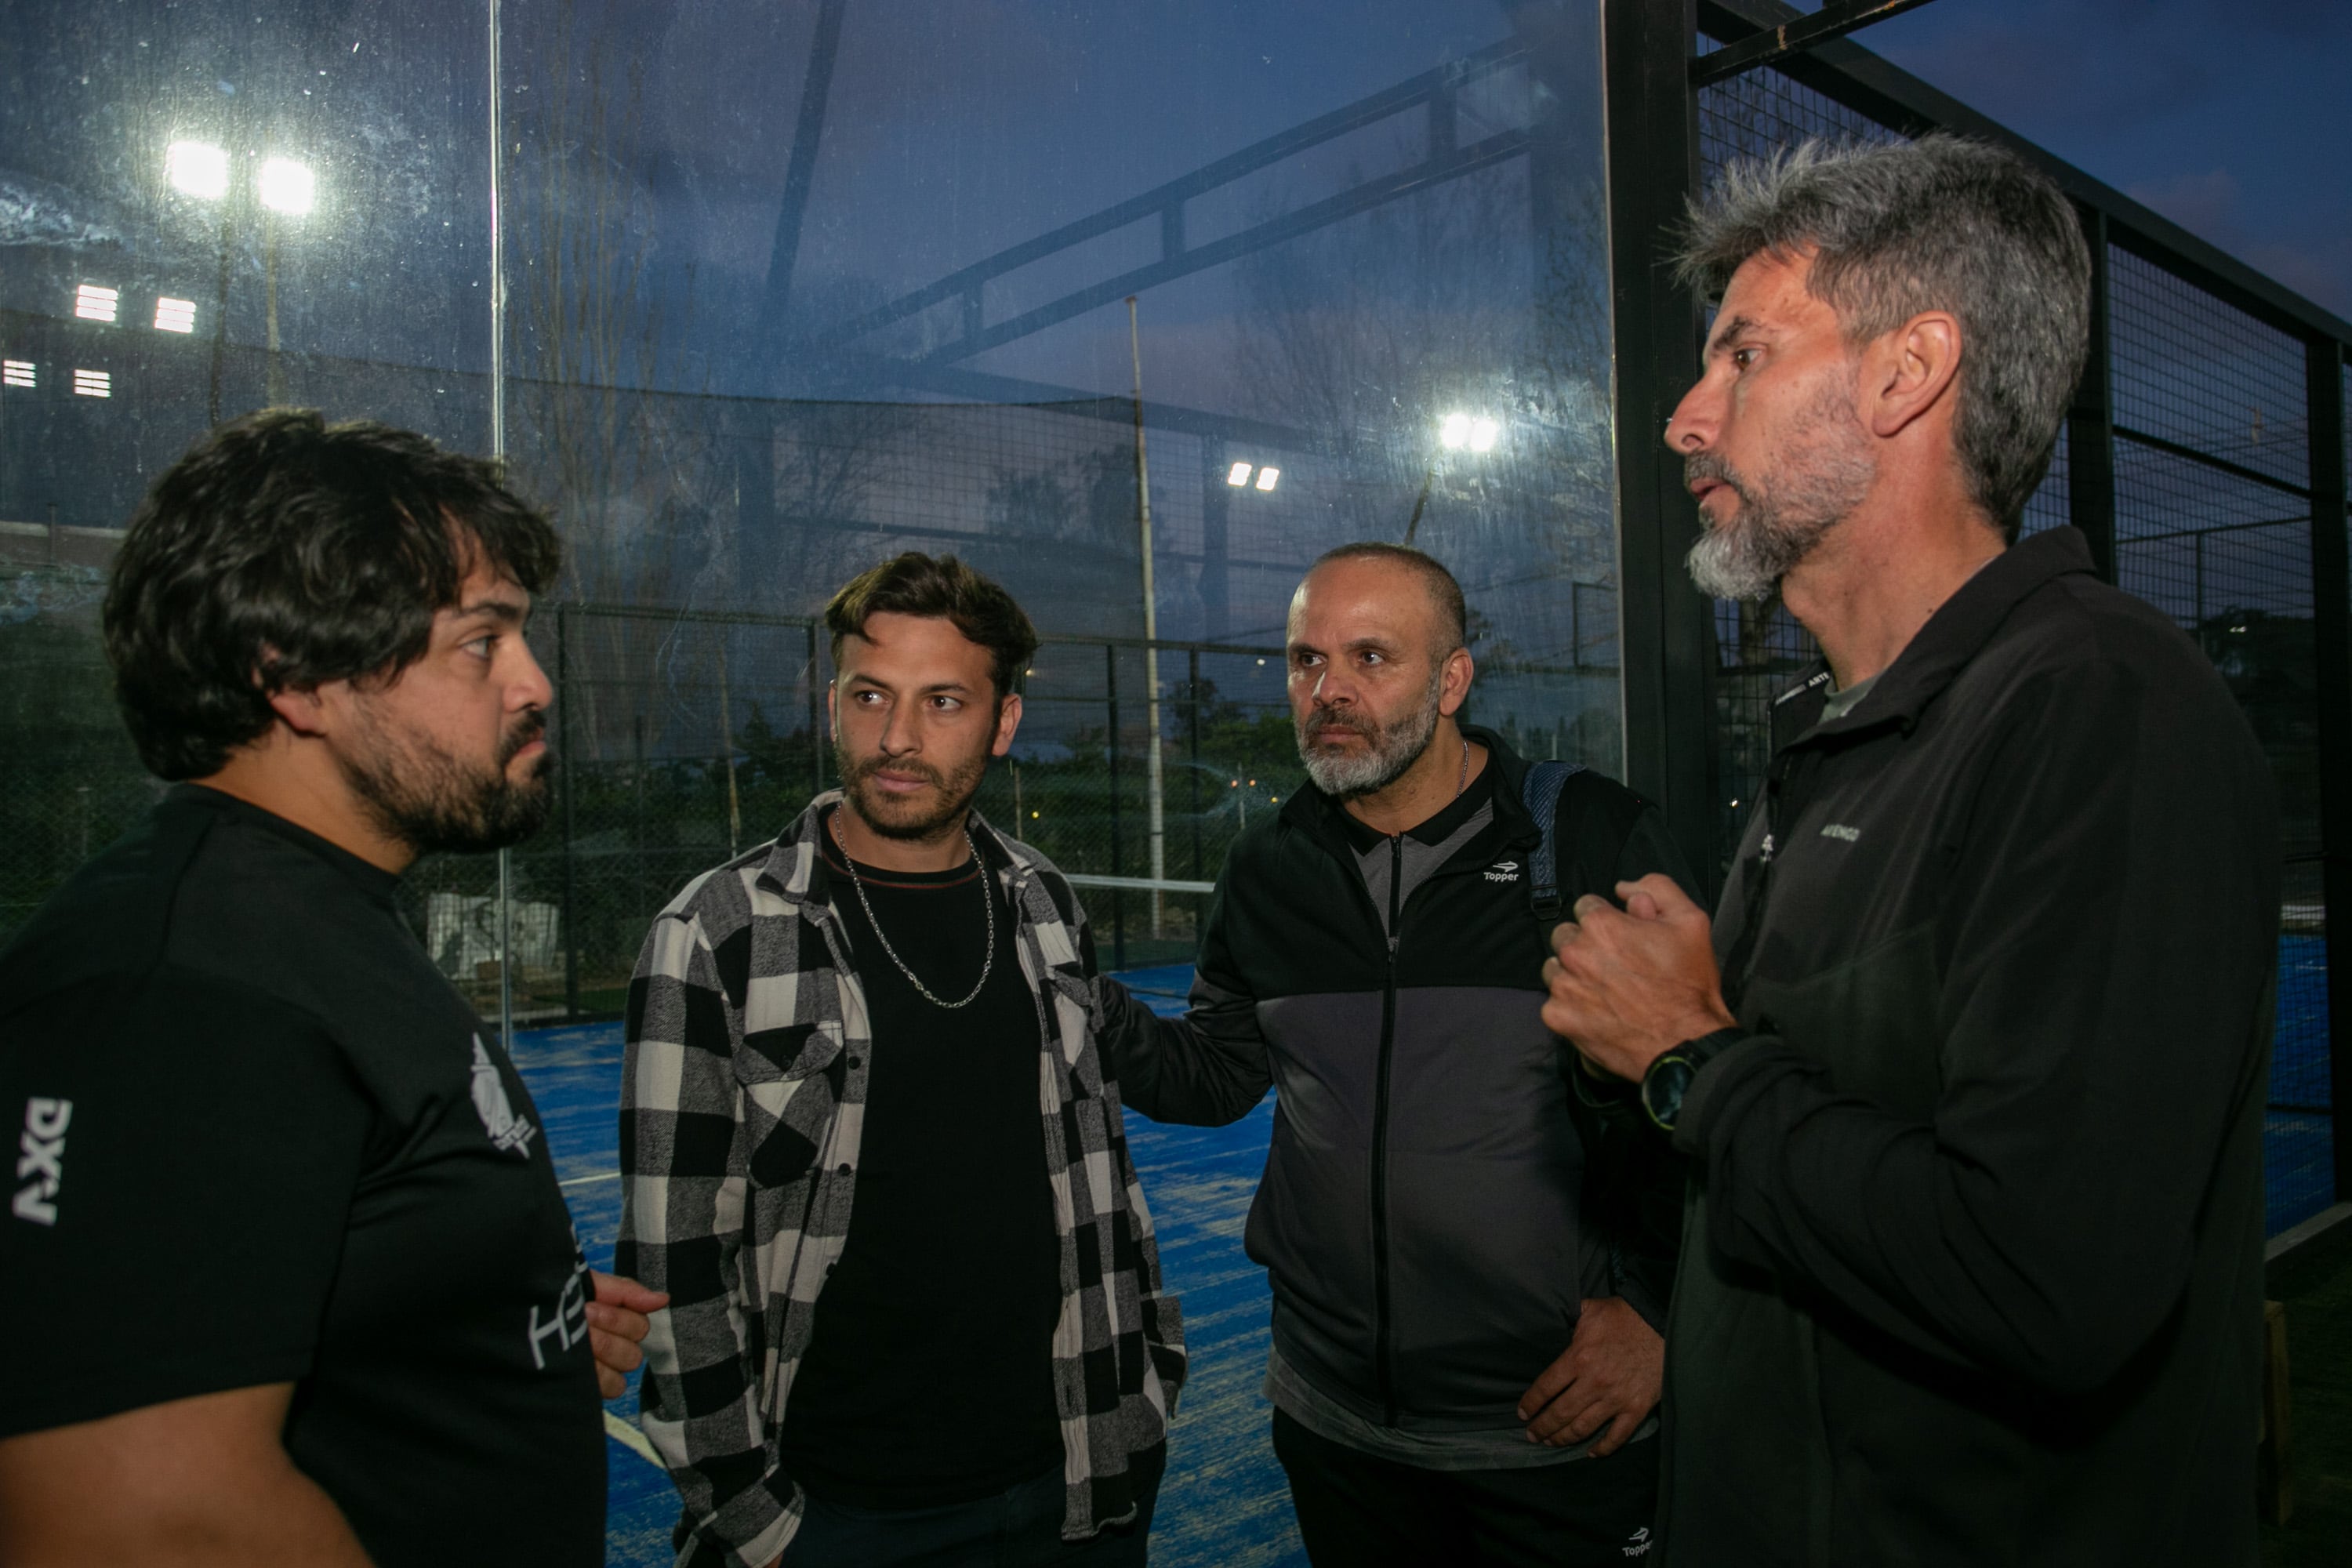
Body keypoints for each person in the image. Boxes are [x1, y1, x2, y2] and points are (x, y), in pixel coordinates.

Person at [1541, 136, 2279, 1566]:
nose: (1687, 421)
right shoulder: (1838, 736)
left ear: (1907, 371)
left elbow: (2047, 1281)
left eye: (1742, 358)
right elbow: (1814, 1146)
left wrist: (1690, 1056)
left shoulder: (2100, 710)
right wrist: (1672, 1041)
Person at [0, 409, 664, 1566]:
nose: (534, 682)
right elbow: (137, 1517)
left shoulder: (306, 916)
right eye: (481, 641)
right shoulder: (182, 988)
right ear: (296, 677)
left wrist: (503, 1324)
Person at [1094, 543, 1695, 1566]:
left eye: (1372, 657)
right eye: (1305, 660)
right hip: (1335, 1425)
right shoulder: (1268, 869)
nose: (1329, 690)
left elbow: (1705, 1105)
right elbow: (1215, 1074)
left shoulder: (1594, 840)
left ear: (1452, 680)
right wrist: (1084, 1006)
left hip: (1557, 1436)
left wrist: (1656, 1313)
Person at [617, 552, 1184, 1568]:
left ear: (1003, 724)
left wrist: (1148, 1383)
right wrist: (757, 1523)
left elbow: (1098, 1166)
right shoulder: (718, 931)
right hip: (837, 1517)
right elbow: (674, 1257)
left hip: (1076, 1483)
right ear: (831, 701)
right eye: (871, 695)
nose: (898, 738)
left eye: (944, 701)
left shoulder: (1043, 903)